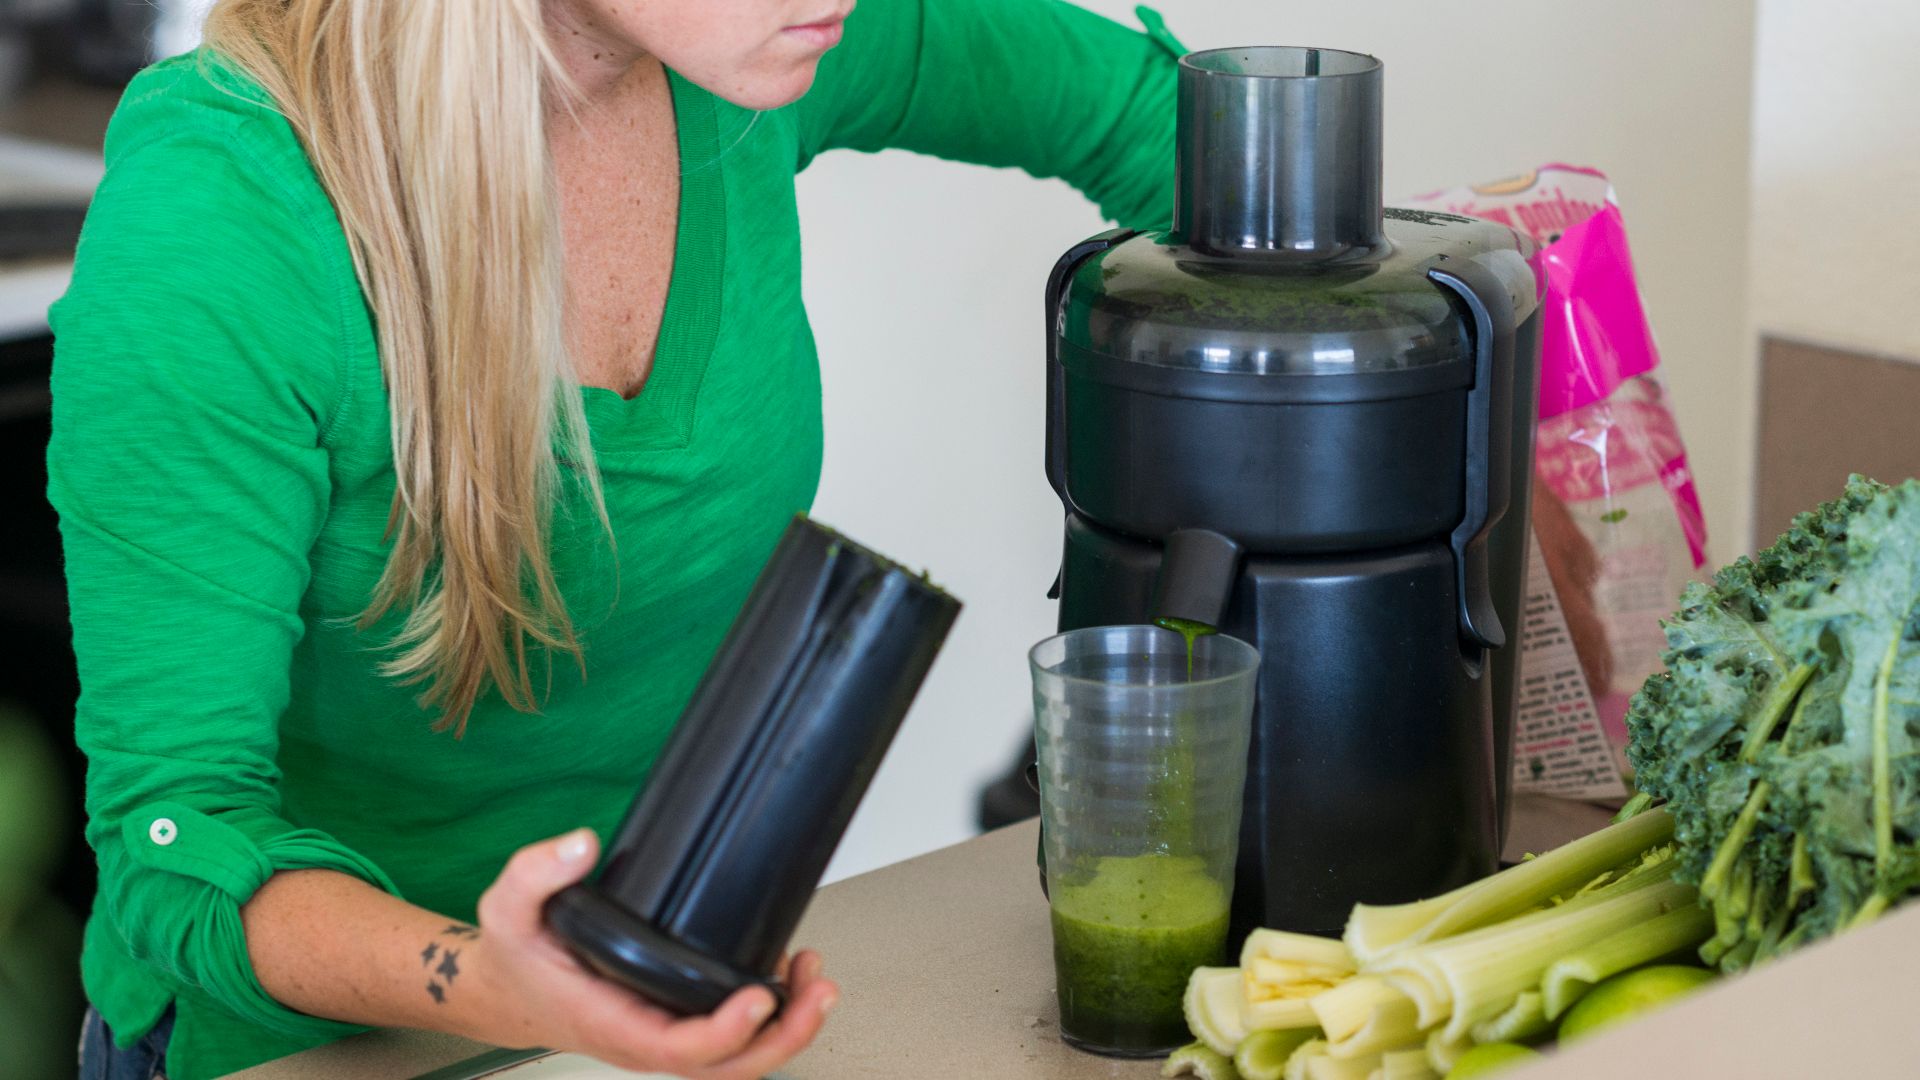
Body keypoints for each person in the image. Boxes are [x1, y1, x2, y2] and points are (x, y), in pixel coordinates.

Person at [49, 0, 1181, 1076]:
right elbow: (178, 843)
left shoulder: (745, 52)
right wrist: (511, 987)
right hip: (297, 1056)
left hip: (651, 1022)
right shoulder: (224, 209)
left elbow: (1161, 119)